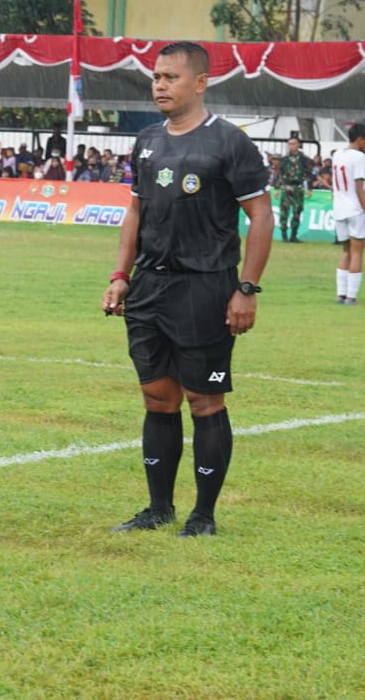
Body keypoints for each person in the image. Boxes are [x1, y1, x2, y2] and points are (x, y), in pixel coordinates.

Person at [102, 41, 273, 538]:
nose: (160, 85)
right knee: (157, 398)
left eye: (171, 77)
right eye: (156, 77)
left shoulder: (229, 142)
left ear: (200, 83)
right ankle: (159, 508)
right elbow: (135, 211)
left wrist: (247, 288)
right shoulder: (147, 140)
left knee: (205, 401)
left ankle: (203, 516)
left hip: (206, 288)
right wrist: (119, 276)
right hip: (149, 289)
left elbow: (261, 215)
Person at [330, 123, 365, 304]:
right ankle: (351, 297)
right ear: (360, 140)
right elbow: (359, 187)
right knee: (358, 252)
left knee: (346, 252)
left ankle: (340, 294)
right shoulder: (359, 157)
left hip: (339, 208)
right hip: (355, 209)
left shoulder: (337, 155)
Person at [274, 137, 312, 243]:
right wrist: (277, 188)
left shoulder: (304, 159)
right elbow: (279, 174)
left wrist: (309, 188)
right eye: (289, 144)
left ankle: (294, 236)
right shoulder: (284, 159)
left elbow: (309, 174)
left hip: (298, 187)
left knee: (297, 211)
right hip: (286, 187)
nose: (291, 146)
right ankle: (284, 236)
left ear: (298, 144)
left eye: (293, 143)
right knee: (284, 212)